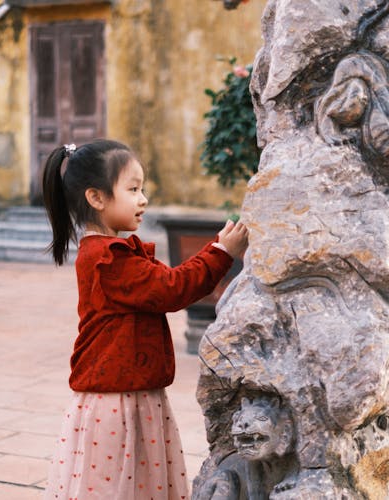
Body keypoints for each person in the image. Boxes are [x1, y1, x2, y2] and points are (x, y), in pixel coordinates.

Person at [41, 139, 248, 499]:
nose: (143, 199)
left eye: (143, 188)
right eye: (133, 189)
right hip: (117, 401)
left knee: (130, 485)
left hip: (126, 392)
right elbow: (172, 288)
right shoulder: (109, 259)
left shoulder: (108, 251)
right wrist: (220, 253)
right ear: (97, 197)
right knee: (118, 487)